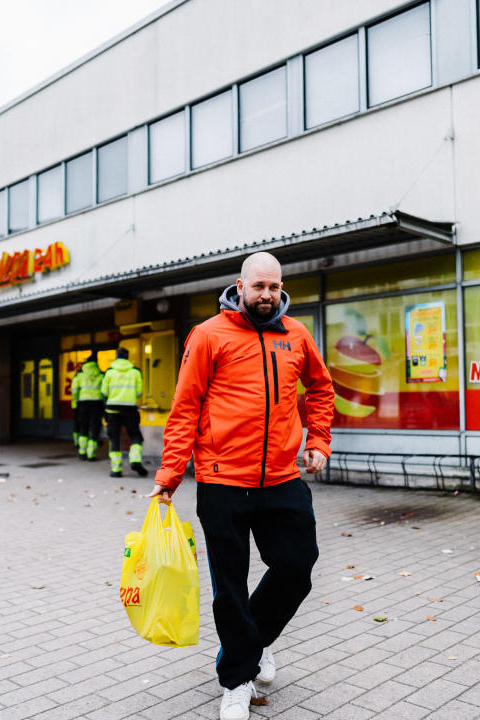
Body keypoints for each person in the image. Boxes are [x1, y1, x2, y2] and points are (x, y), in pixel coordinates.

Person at [148, 251, 334, 720]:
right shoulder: (209, 335)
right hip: (221, 480)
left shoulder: (296, 335)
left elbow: (321, 387)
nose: (268, 295)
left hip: (282, 479)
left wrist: (319, 440)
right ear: (240, 286)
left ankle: (254, 643)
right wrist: (169, 476)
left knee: (297, 566)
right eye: (259, 287)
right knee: (229, 586)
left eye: (274, 287)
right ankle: (236, 680)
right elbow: (185, 406)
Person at [101, 347, 149, 478]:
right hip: (129, 409)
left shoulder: (109, 372)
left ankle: (116, 470)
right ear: (127, 357)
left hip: (112, 409)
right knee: (135, 436)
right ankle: (135, 460)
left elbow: (104, 392)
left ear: (116, 356)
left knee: (114, 438)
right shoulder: (135, 372)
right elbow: (139, 392)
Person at [72, 352, 105, 461]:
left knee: (83, 427)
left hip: (83, 403)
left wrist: (76, 401)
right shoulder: (100, 374)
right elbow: (105, 391)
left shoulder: (80, 374)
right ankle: (91, 454)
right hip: (97, 403)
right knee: (94, 428)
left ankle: (82, 452)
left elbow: (75, 389)